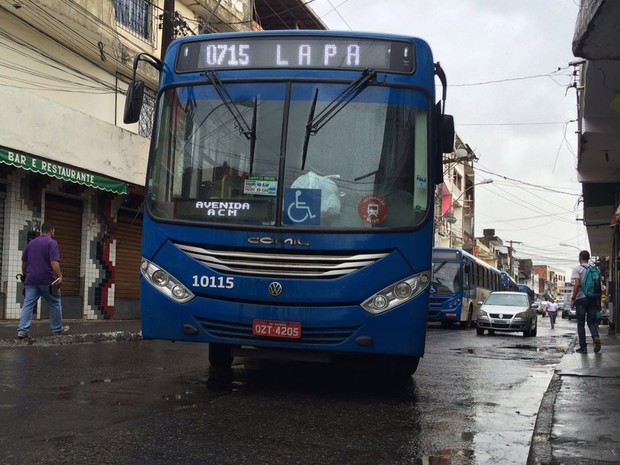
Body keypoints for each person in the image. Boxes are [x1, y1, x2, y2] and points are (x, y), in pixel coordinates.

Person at [17, 222, 68, 338]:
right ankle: (57, 330)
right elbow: (54, 262)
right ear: (51, 230)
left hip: (31, 280)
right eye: (54, 231)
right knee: (55, 303)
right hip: (47, 280)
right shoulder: (52, 243)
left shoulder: (31, 243)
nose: (54, 233)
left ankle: (22, 331)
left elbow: (24, 263)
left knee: (28, 305)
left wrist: (25, 276)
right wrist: (60, 276)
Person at [570, 250, 601, 353]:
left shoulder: (577, 269)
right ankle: (595, 337)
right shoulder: (595, 269)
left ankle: (583, 347)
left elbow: (577, 284)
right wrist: (598, 302)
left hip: (581, 299)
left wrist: (573, 298)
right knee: (591, 322)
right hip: (593, 298)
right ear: (588, 258)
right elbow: (598, 287)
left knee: (581, 323)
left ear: (580, 258)